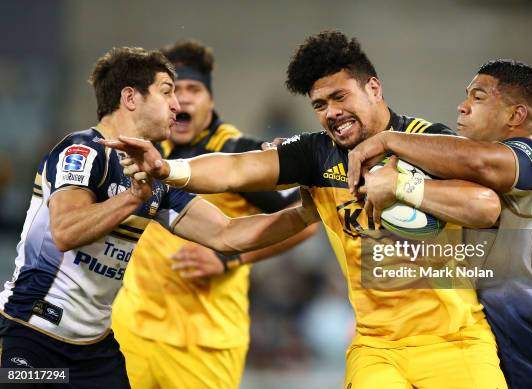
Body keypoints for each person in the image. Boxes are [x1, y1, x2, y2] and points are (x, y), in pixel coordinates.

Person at [102, 32, 508, 388]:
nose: (331, 112)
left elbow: (485, 207)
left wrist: (404, 185)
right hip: (376, 345)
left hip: (456, 341)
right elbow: (237, 169)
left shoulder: (427, 141)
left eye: (340, 96)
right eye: (320, 104)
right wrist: (165, 168)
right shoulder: (317, 154)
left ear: (374, 88)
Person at [0, 47, 318, 388]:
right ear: (130, 97)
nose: (176, 105)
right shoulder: (81, 151)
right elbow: (65, 231)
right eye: (167, 91)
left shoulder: (154, 179)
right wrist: (134, 198)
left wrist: (307, 213)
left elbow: (226, 234)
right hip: (33, 334)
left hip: (94, 351)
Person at [346, 59, 532, 388]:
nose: (462, 106)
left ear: (515, 116)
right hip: (485, 349)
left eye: (478, 97)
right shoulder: (463, 168)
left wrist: (388, 142)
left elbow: (481, 163)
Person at [111, 40, 317, 389]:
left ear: (210, 99)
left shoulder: (237, 155)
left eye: (194, 89)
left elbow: (308, 220)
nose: (184, 98)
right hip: (131, 332)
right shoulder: (145, 150)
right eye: (173, 90)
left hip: (205, 343)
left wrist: (229, 258)